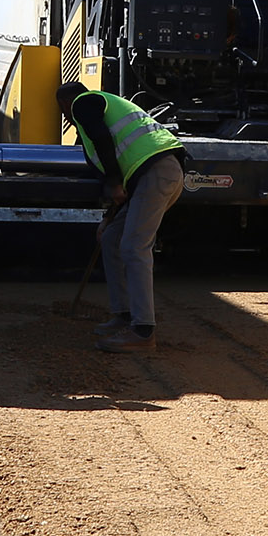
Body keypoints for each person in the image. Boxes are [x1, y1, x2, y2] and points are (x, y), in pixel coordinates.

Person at [58, 78, 185, 353]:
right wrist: (108, 216)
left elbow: (102, 140)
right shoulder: (108, 107)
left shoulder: (83, 103)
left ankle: (143, 331)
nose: (66, 117)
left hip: (156, 172)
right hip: (153, 176)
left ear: (66, 104)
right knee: (112, 237)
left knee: (134, 246)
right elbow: (120, 166)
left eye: (63, 111)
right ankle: (124, 315)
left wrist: (114, 182)